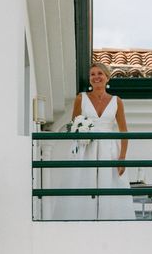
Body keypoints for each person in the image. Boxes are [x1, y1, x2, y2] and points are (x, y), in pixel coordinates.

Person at [52, 62, 136, 220]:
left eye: (100, 74)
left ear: (107, 77)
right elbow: (73, 125)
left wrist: (122, 157)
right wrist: (81, 133)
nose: (96, 77)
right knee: (82, 181)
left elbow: (123, 131)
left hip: (109, 149)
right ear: (89, 79)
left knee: (109, 184)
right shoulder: (80, 98)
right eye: (92, 74)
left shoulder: (117, 101)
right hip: (86, 148)